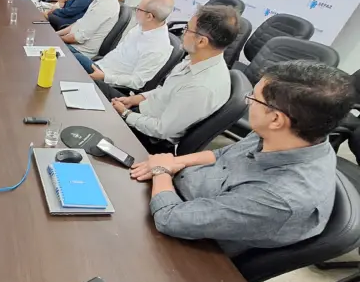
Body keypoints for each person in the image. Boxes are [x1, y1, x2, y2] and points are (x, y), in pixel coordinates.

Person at [131, 60, 354, 257]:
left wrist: (161, 171)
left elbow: (170, 219)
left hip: (189, 246)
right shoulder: (288, 135)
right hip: (175, 192)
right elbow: (221, 155)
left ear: (276, 119)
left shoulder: (280, 197)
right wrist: (174, 162)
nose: (249, 102)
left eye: (254, 98)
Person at [110, 5, 240, 153]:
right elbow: (166, 91)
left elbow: (161, 130)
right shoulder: (197, 59)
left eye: (187, 29)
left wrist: (125, 114)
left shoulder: (200, 87)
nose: (183, 33)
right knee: (96, 89)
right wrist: (136, 99)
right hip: (142, 112)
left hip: (147, 137)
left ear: (202, 42)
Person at [72, 0, 174, 94]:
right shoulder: (142, 26)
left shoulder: (158, 48)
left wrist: (105, 76)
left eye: (138, 8)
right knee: (68, 51)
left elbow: (136, 82)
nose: (136, 10)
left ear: (149, 17)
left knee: (72, 57)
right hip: (102, 65)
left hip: (108, 80)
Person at [57, 0, 121, 58]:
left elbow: (78, 38)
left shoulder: (105, 6)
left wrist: (57, 39)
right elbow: (79, 23)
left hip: (78, 52)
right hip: (73, 45)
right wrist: (56, 34)